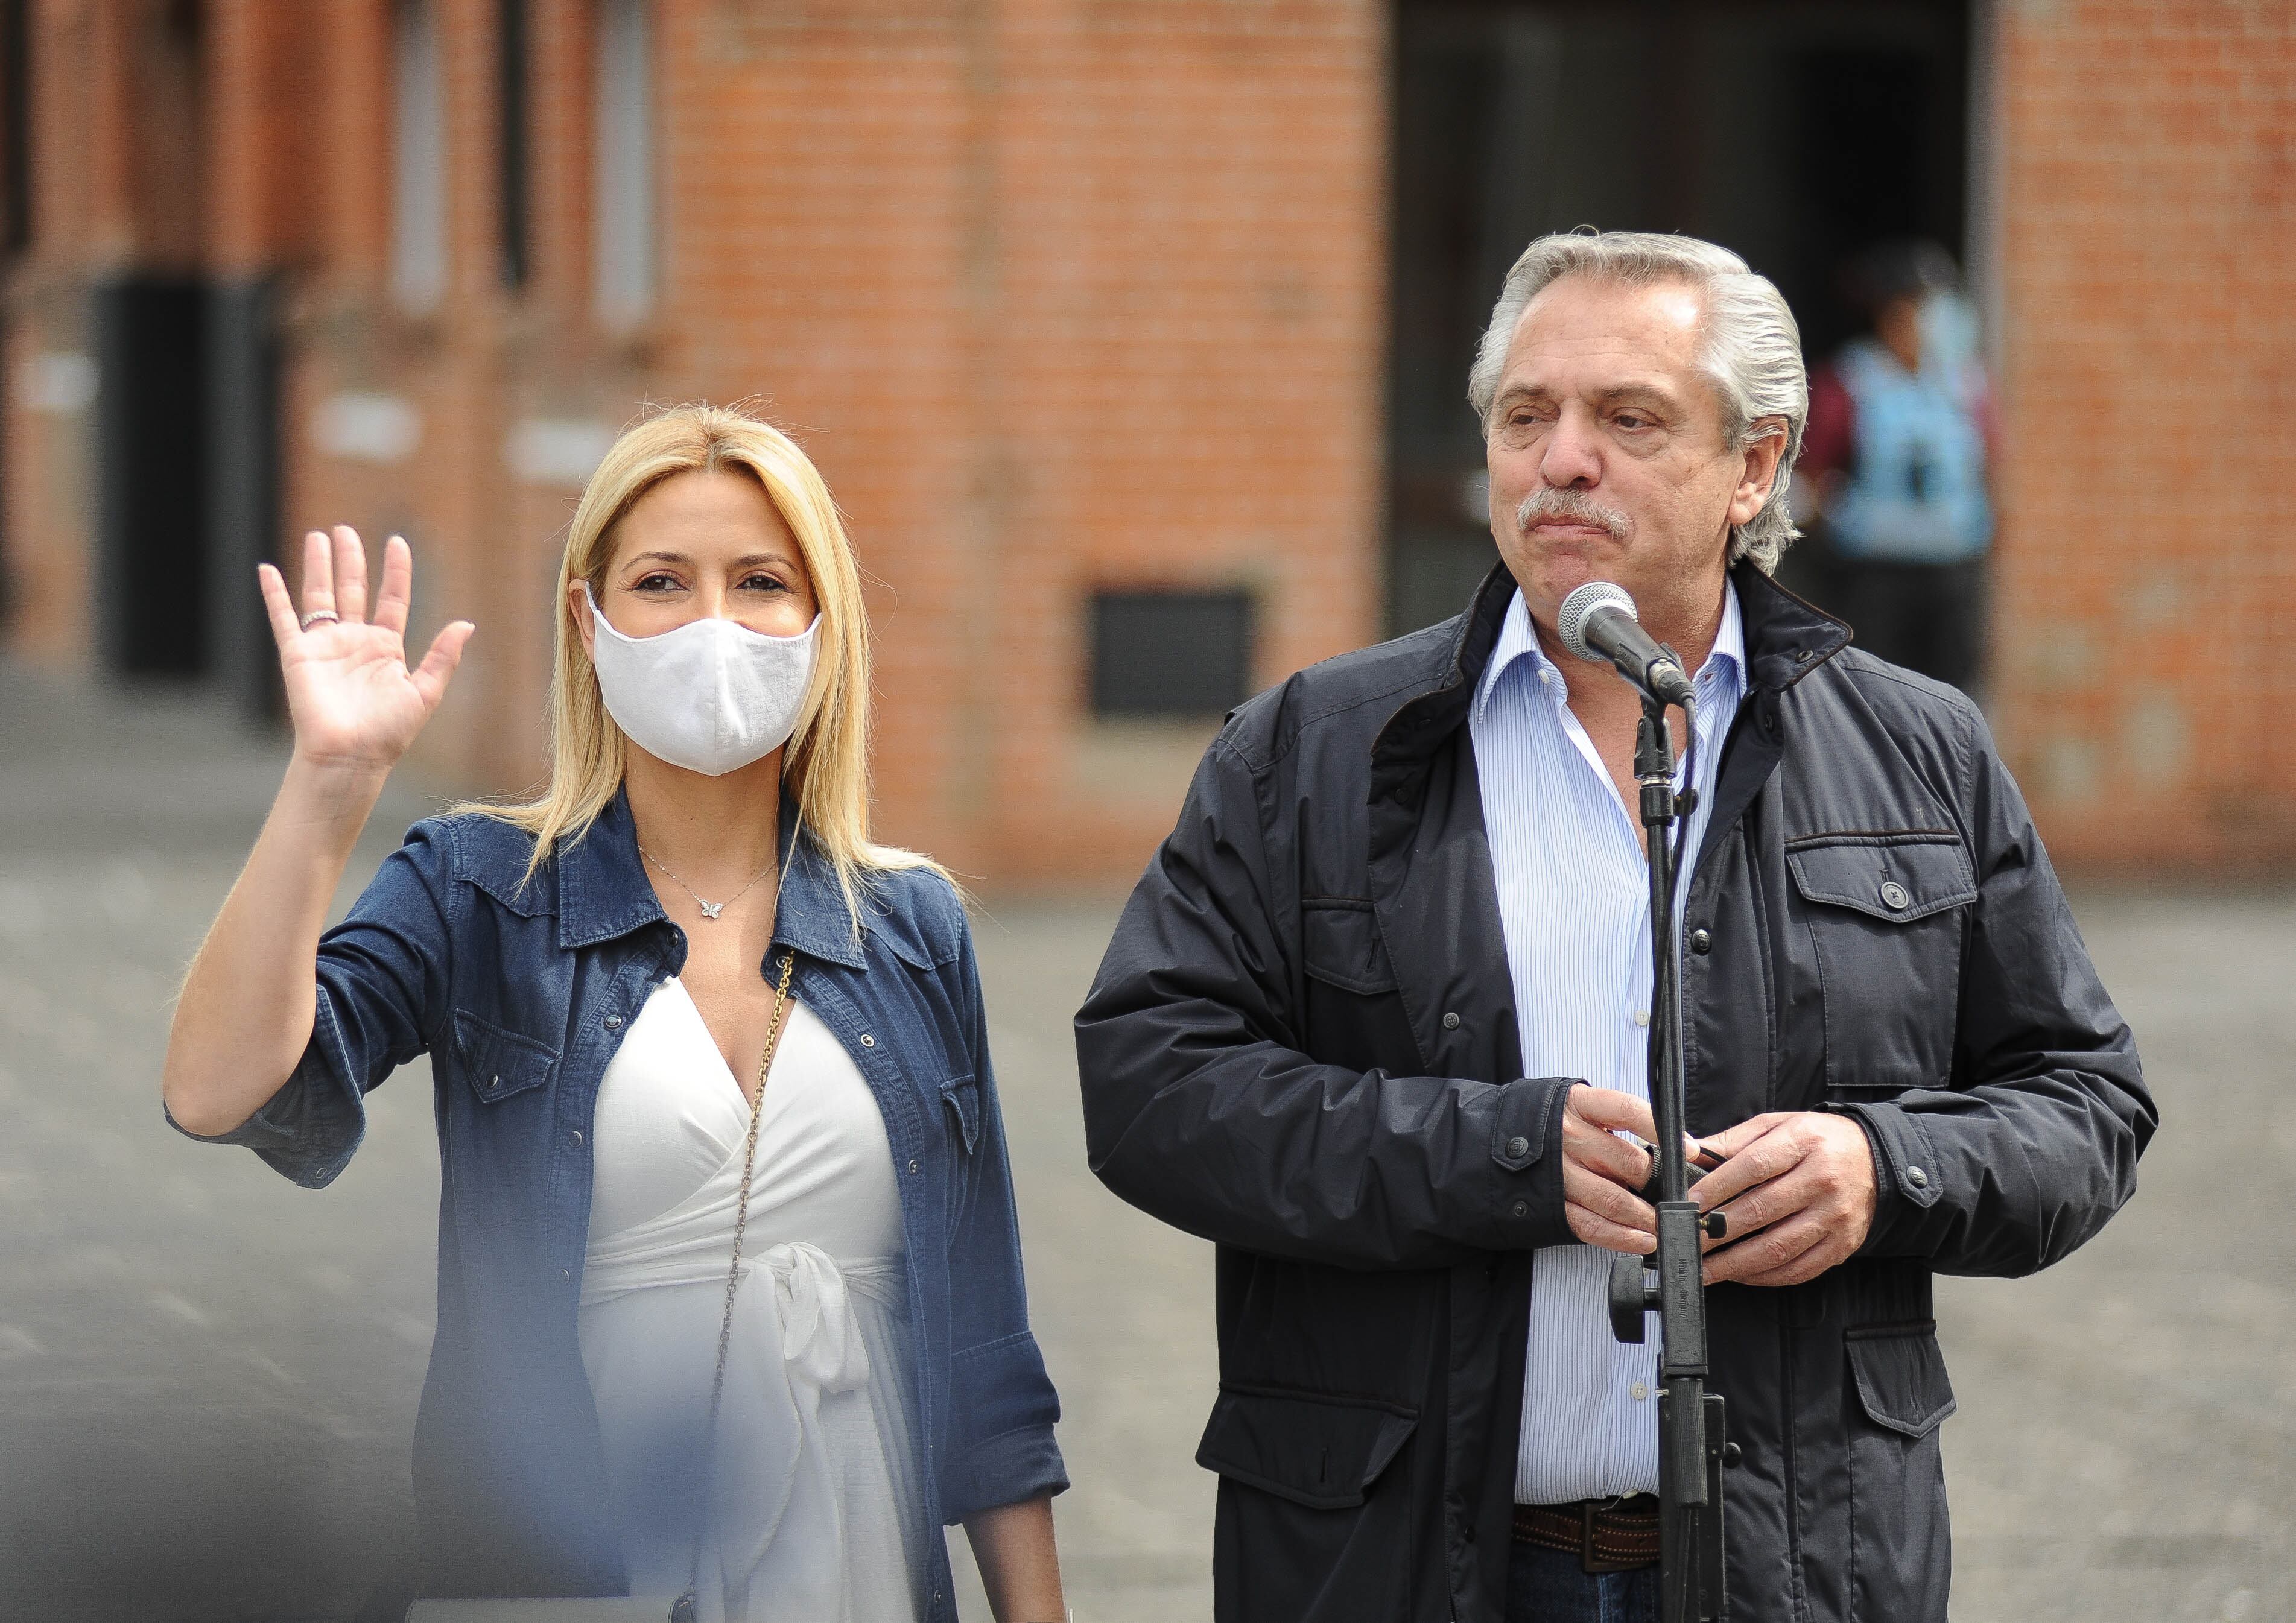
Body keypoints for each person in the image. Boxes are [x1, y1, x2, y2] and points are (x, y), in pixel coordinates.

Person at [1074, 231, 2153, 1623]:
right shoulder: (1313, 748)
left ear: (1754, 467)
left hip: (1792, 1564)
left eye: (1626, 419)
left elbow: (2084, 1103)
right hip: (1391, 1557)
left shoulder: (1914, 750)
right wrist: (1486, 1155)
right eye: (1525, 416)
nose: (1559, 458)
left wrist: (1880, 1168)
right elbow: (1149, 1085)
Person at [163, 405, 1068, 1622]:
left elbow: (987, 1356)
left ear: (822, 625)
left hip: (859, 1568)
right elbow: (222, 1091)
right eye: (660, 581)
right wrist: (328, 788)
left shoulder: (909, 924)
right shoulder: (479, 887)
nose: (713, 623)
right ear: (589, 624)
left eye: (760, 582)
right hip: (561, 1578)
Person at [1798, 239, 2001, 697]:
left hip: (1952, 576)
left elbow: (1988, 469)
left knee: (1954, 698)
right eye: (1922, 307)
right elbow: (1809, 481)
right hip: (1876, 577)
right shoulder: (1849, 384)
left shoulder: (1968, 386)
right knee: (1877, 698)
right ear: (1891, 314)